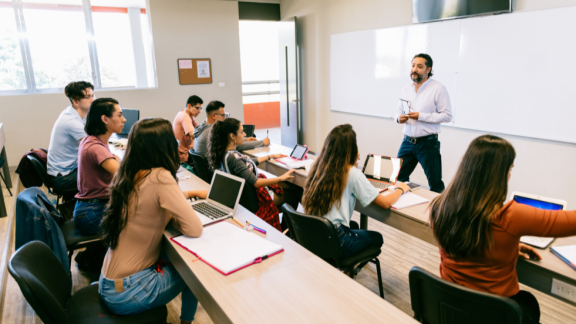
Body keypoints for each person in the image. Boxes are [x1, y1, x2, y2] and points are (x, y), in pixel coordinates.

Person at [429, 134, 576, 324]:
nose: (509, 175)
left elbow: (470, 241)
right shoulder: (510, 216)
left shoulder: (439, 206)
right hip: (495, 315)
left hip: (452, 309)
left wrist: (508, 246)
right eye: (510, 169)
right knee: (528, 303)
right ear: (498, 174)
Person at [99, 118, 207, 324]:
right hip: (129, 292)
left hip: (109, 283)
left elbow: (150, 203)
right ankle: (186, 322)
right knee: (194, 271)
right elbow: (194, 229)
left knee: (173, 255)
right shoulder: (160, 176)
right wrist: (175, 218)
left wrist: (172, 213)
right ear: (165, 145)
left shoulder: (127, 172)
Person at [302, 124, 410, 258]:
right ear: (351, 149)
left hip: (315, 233)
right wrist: (401, 189)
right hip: (336, 238)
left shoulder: (318, 166)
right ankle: (347, 270)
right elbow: (385, 203)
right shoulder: (352, 173)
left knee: (354, 225)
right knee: (377, 238)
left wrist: (353, 162)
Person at [207, 118, 300, 231]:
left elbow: (248, 164)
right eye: (242, 132)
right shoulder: (234, 158)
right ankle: (286, 229)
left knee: (292, 187)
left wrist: (270, 156)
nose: (245, 134)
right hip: (257, 198)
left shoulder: (226, 154)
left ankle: (286, 228)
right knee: (296, 191)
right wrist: (281, 177)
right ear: (232, 136)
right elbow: (256, 182)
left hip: (246, 196)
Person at [394, 53, 452, 193]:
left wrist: (421, 116)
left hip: (428, 144)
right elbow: (397, 112)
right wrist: (398, 118)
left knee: (435, 183)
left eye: (419, 66)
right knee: (398, 178)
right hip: (407, 142)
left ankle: (439, 214)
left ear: (428, 70)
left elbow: (447, 116)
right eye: (413, 65)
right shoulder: (406, 88)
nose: (414, 69)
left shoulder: (438, 88)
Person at [73, 98, 124, 235]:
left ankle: (94, 253)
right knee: (142, 226)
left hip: (88, 208)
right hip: (93, 213)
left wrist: (114, 158)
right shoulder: (96, 147)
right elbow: (125, 175)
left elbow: (113, 159)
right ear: (105, 119)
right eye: (119, 115)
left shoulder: (91, 139)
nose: (124, 120)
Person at [47, 81, 95, 194]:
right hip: (62, 178)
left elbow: (94, 135)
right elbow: (93, 146)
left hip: (70, 168)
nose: (93, 100)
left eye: (93, 95)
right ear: (76, 101)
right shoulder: (71, 121)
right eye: (88, 97)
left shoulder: (77, 114)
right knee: (106, 175)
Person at [193, 100, 270, 158]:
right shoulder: (212, 132)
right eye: (222, 115)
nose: (224, 118)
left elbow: (230, 141)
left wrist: (245, 139)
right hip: (215, 170)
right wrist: (262, 142)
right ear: (213, 116)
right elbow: (235, 145)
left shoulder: (202, 126)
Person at [173, 95, 202, 163]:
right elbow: (194, 135)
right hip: (181, 156)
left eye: (200, 109)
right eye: (197, 108)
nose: (199, 111)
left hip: (183, 152)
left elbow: (198, 127)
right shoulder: (185, 117)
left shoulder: (187, 114)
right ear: (189, 106)